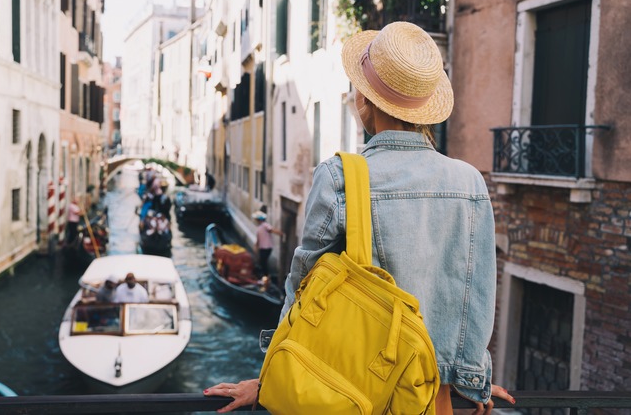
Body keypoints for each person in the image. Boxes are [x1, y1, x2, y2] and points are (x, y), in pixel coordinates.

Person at [205, 22, 515, 413]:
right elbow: (479, 296)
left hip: (361, 394)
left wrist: (270, 375)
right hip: (436, 403)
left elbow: (302, 287)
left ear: (364, 101)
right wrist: (476, 384)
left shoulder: (339, 177)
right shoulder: (470, 181)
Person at [252, 211, 283, 278]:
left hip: (267, 247)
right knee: (262, 262)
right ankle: (264, 276)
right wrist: (255, 248)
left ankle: (266, 276)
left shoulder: (265, 225)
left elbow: (271, 230)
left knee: (263, 262)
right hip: (262, 247)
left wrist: (281, 233)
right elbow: (258, 239)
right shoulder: (259, 228)